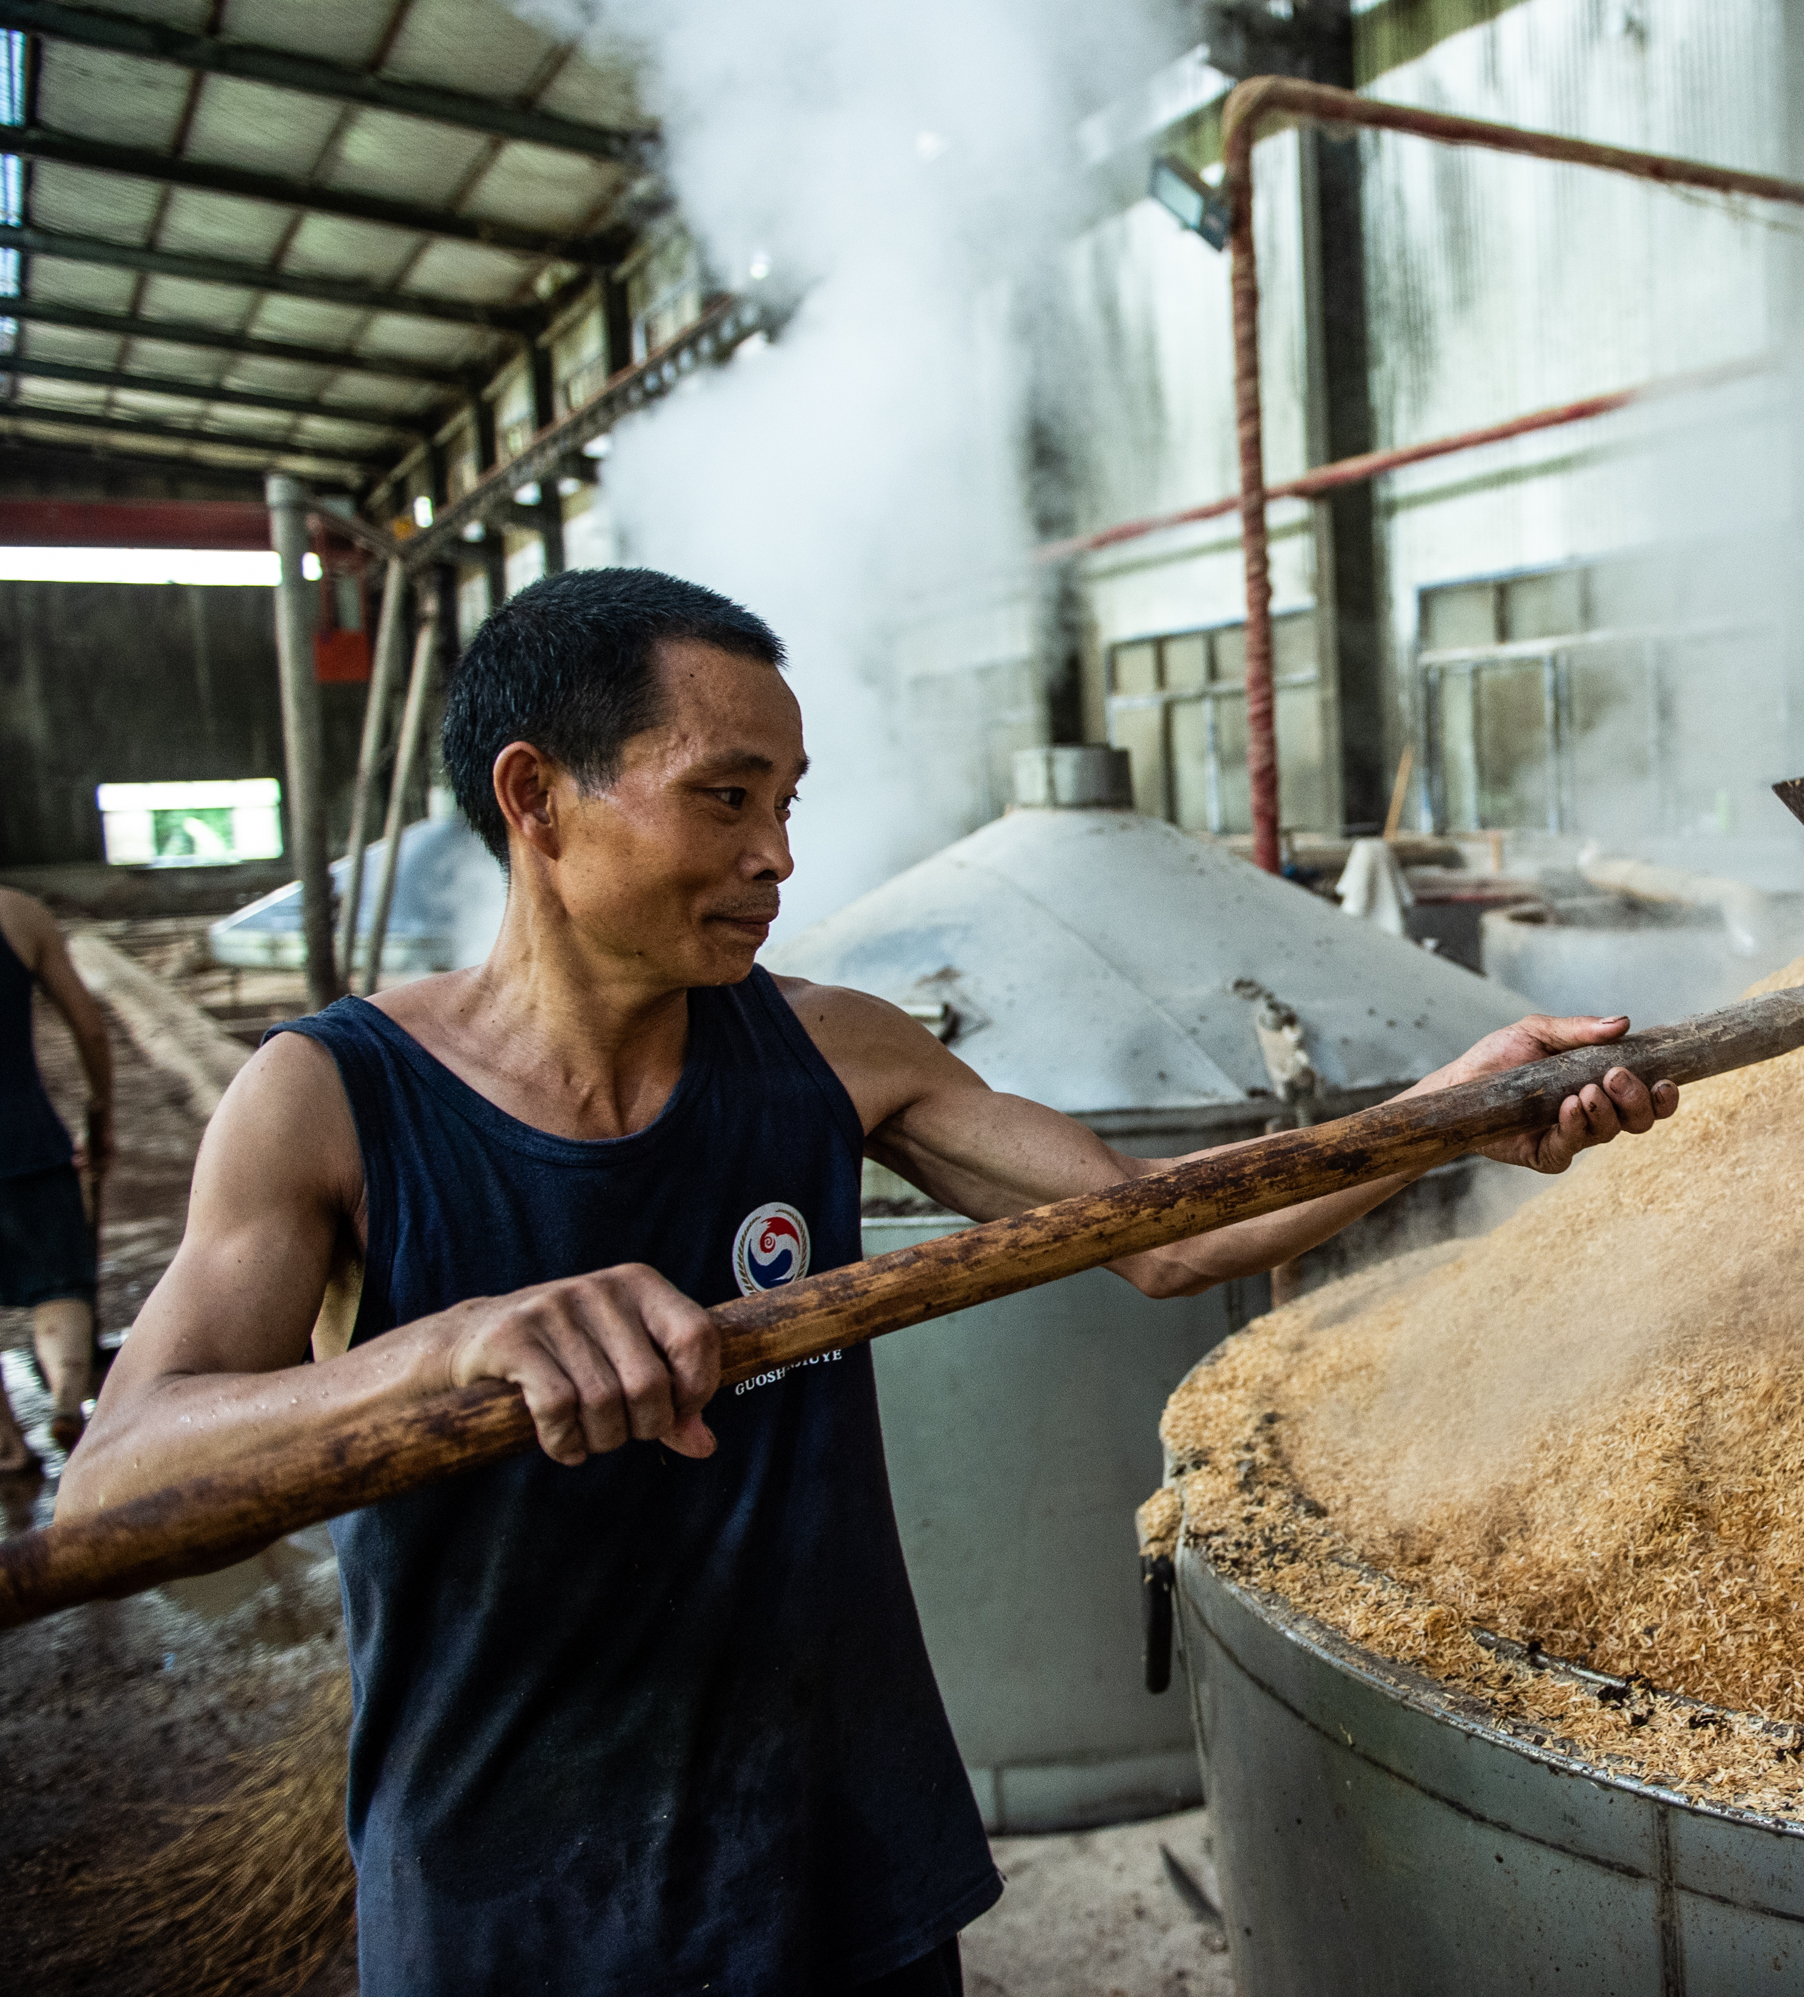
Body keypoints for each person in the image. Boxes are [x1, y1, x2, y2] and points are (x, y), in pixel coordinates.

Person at [60, 567, 1678, 1995]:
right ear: (535, 796)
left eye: (791, 802)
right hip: (516, 1880)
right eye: (724, 797)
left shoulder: (830, 1047)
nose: (777, 855)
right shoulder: (335, 1101)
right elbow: (115, 1491)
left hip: (842, 1852)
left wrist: (1459, 1110)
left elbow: (1169, 1230)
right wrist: (448, 1351)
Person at [0, 885, 113, 1475]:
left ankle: (6, 1445)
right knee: (61, 1288)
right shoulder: (17, 913)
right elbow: (90, 1029)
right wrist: (100, 1115)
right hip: (26, 1139)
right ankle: (68, 1400)